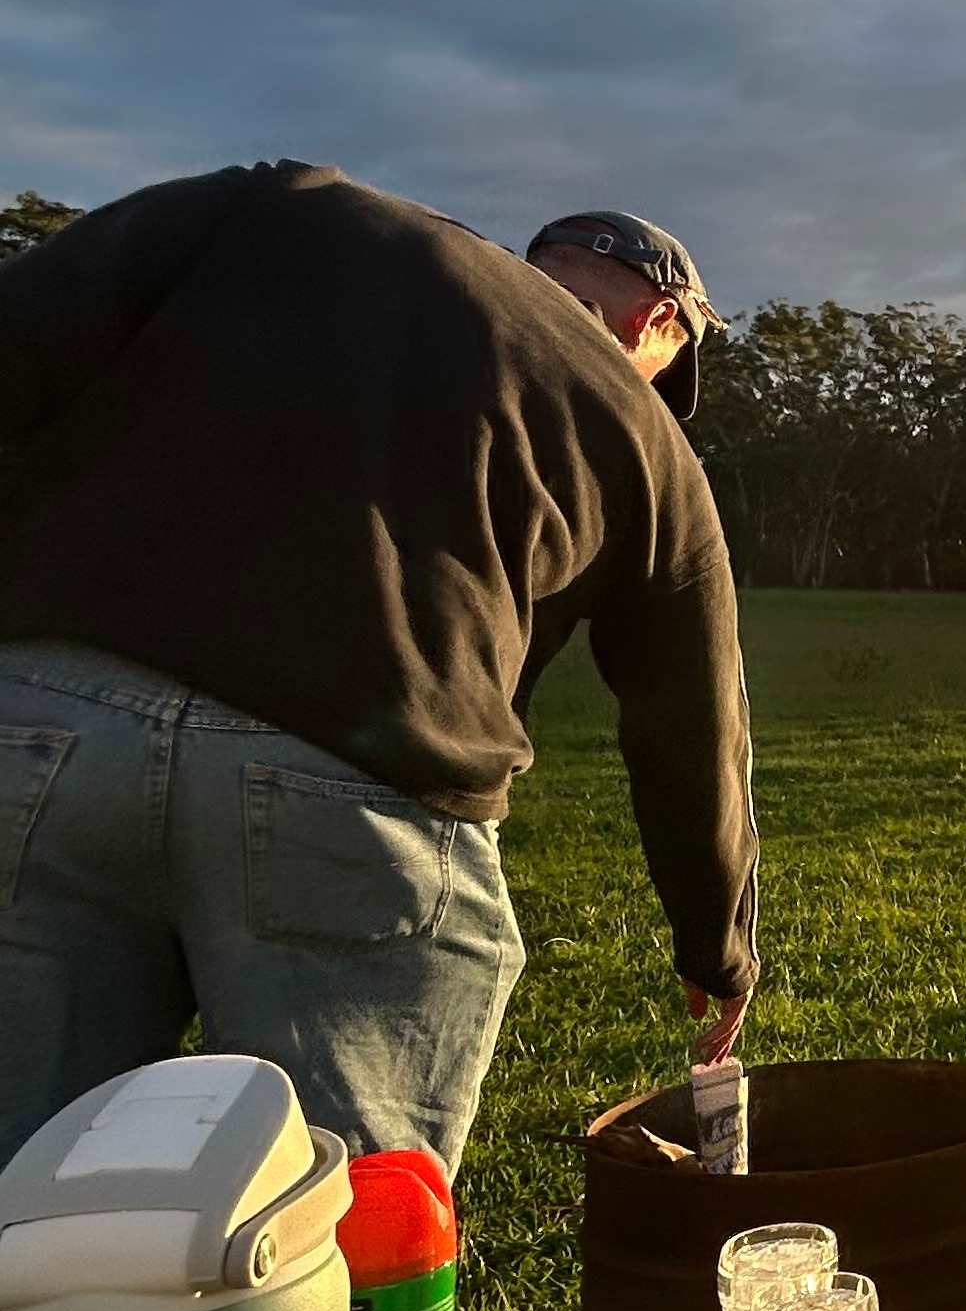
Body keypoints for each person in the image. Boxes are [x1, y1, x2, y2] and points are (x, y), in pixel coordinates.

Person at [0, 163, 758, 1173]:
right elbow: (692, 730)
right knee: (350, 1236)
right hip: (351, 788)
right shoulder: (639, 424)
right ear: (656, 322)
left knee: (22, 1189)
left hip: (39, 724)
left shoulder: (275, 206)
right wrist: (718, 950)